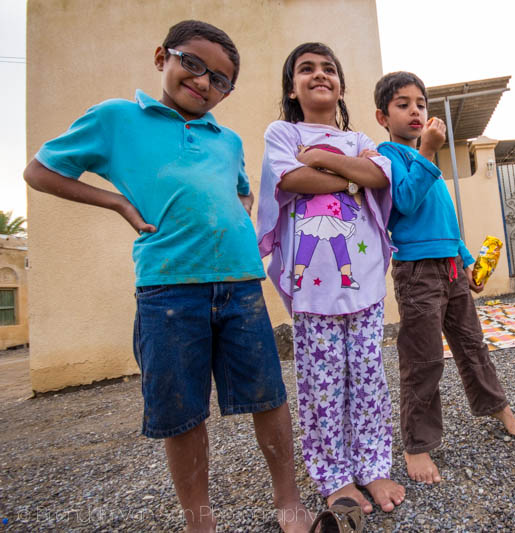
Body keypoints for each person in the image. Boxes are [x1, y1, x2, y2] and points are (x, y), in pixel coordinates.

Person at [23, 20, 312, 533]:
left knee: (269, 396)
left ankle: (288, 501)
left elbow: (243, 191)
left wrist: (234, 215)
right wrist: (116, 201)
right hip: (168, 289)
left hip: (242, 285)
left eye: (220, 79)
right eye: (194, 65)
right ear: (163, 57)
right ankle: (199, 521)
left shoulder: (227, 140)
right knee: (184, 412)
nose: (203, 82)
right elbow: (40, 171)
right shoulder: (117, 119)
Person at [256, 42, 404, 515]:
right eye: (306, 69)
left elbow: (378, 178)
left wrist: (324, 160)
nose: (319, 75)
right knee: (321, 385)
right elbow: (290, 181)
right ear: (292, 85)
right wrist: (351, 178)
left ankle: (375, 465)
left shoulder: (360, 139)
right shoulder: (282, 132)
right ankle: (334, 475)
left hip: (361, 282)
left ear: (340, 86)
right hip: (312, 288)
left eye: (328, 69)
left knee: (367, 377)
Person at [373, 71, 515, 485]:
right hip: (417, 272)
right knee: (423, 358)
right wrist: (427, 151)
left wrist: (467, 259)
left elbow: (446, 223)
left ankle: (498, 406)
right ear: (382, 116)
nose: (415, 111)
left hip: (451, 267)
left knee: (472, 344)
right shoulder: (386, 157)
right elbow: (402, 202)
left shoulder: (429, 164)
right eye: (403, 104)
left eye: (421, 104)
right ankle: (416, 444)